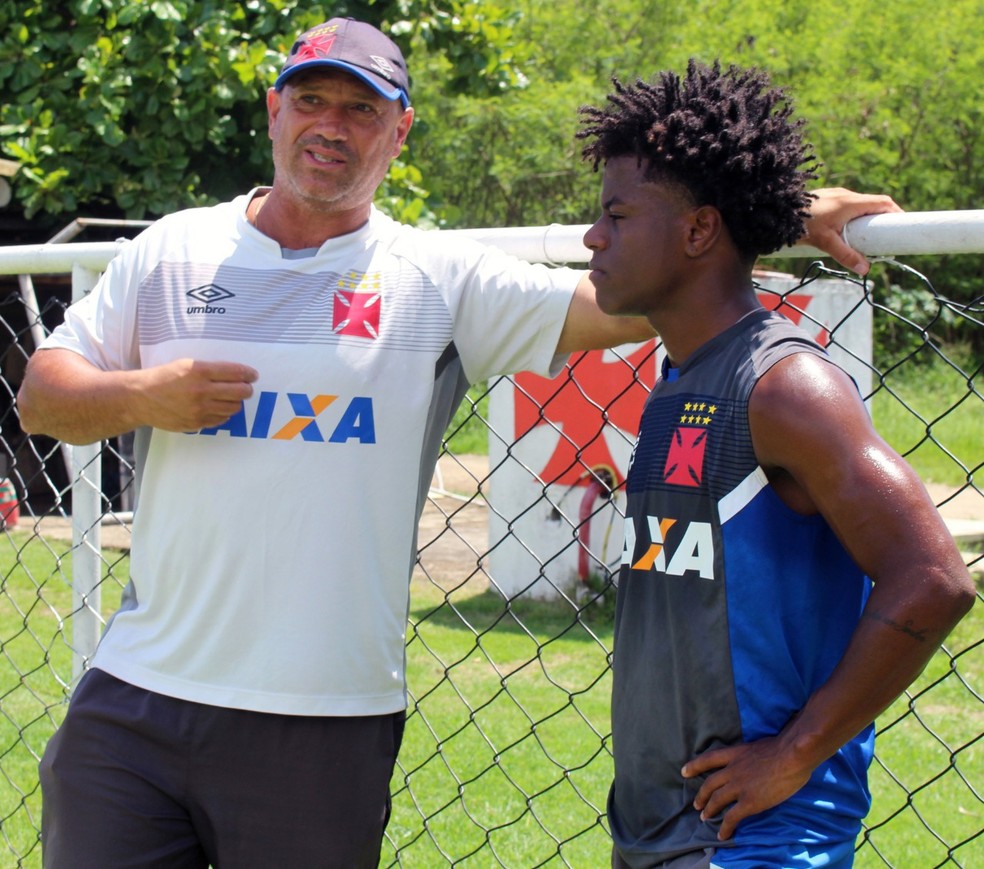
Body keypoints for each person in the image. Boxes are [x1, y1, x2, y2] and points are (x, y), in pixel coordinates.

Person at [17, 15, 902, 867]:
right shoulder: (170, 251)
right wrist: (143, 396)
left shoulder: (436, 277)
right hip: (133, 701)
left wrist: (771, 206)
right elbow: (40, 397)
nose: (331, 126)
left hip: (321, 716)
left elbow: (647, 278)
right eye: (311, 100)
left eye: (361, 109)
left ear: (397, 134)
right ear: (273, 110)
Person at [576, 60, 976, 869]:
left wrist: (796, 751)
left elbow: (934, 579)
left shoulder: (787, 386)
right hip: (662, 825)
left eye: (617, 214)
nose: (593, 235)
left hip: (758, 838)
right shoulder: (679, 372)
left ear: (697, 232)